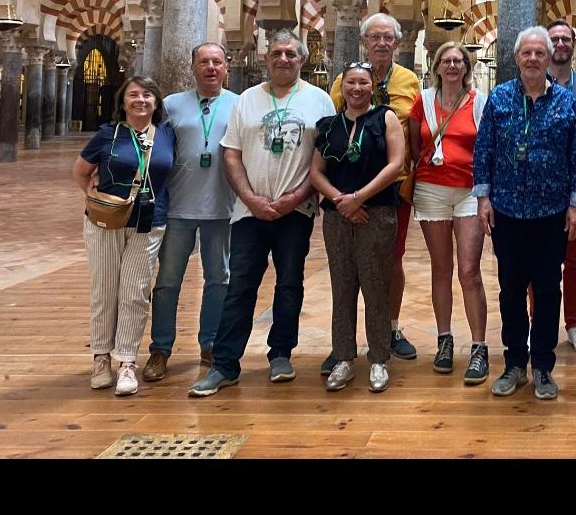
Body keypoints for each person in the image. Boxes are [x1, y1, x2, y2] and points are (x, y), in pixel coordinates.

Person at [188, 31, 335, 396]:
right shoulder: (247, 99)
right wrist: (251, 198)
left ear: (302, 60)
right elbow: (231, 153)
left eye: (290, 54)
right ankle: (225, 364)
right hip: (248, 212)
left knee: (289, 283)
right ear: (266, 58)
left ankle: (280, 354)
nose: (283, 59)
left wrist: (296, 197)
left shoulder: (319, 101)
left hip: (296, 211)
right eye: (276, 53)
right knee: (240, 286)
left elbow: (324, 160)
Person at [473, 27, 576, 401]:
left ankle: (542, 366)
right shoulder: (500, 98)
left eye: (540, 52)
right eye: (528, 53)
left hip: (551, 213)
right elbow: (484, 150)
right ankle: (513, 364)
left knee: (547, 290)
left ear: (548, 57)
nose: (534, 58)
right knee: (510, 290)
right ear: (517, 58)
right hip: (507, 211)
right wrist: (483, 199)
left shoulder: (565, 101)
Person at [73, 75, 176, 396]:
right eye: (133, 95)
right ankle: (101, 357)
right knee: (105, 290)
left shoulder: (167, 134)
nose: (140, 100)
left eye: (147, 94)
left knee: (135, 292)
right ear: (123, 101)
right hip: (106, 222)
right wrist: (93, 196)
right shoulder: (108, 133)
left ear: (156, 102)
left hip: (149, 221)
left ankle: (127, 361)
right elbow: (81, 171)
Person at [327, 12, 420, 366]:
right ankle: (344, 342)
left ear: (398, 43)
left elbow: (416, 132)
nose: (382, 43)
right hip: (349, 188)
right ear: (364, 41)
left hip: (393, 188)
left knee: (391, 260)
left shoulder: (409, 80)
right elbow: (334, 129)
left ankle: (390, 330)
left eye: (388, 37)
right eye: (375, 37)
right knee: (346, 267)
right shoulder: (344, 81)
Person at [142, 43, 236, 382]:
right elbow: (153, 148)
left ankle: (210, 343)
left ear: (226, 67)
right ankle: (160, 348)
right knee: (168, 281)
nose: (211, 67)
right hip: (177, 207)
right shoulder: (171, 105)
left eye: (217, 62)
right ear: (193, 67)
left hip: (222, 207)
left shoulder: (239, 104)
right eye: (204, 62)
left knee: (219, 279)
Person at [310, 61, 405, 392]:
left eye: (363, 82)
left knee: (376, 285)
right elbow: (316, 172)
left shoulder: (385, 118)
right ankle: (343, 358)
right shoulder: (328, 125)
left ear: (372, 86)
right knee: (342, 286)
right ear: (342, 86)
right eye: (350, 82)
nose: (356, 88)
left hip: (376, 214)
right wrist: (342, 201)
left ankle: (378, 358)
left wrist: (359, 198)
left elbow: (396, 164)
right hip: (338, 216)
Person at [408, 42, 490, 384]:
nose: (453, 65)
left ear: (466, 67)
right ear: (437, 66)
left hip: (470, 190)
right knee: (441, 269)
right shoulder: (423, 100)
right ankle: (444, 340)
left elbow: (486, 146)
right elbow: (415, 145)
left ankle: (479, 346)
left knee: (469, 271)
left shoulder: (479, 101)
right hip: (431, 190)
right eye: (446, 60)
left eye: (458, 60)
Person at [545, 19, 576, 354]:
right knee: (540, 263)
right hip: (540, 191)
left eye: (566, 39)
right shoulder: (532, 84)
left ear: (573, 46)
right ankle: (540, 323)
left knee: (575, 262)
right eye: (555, 39)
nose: (561, 44)